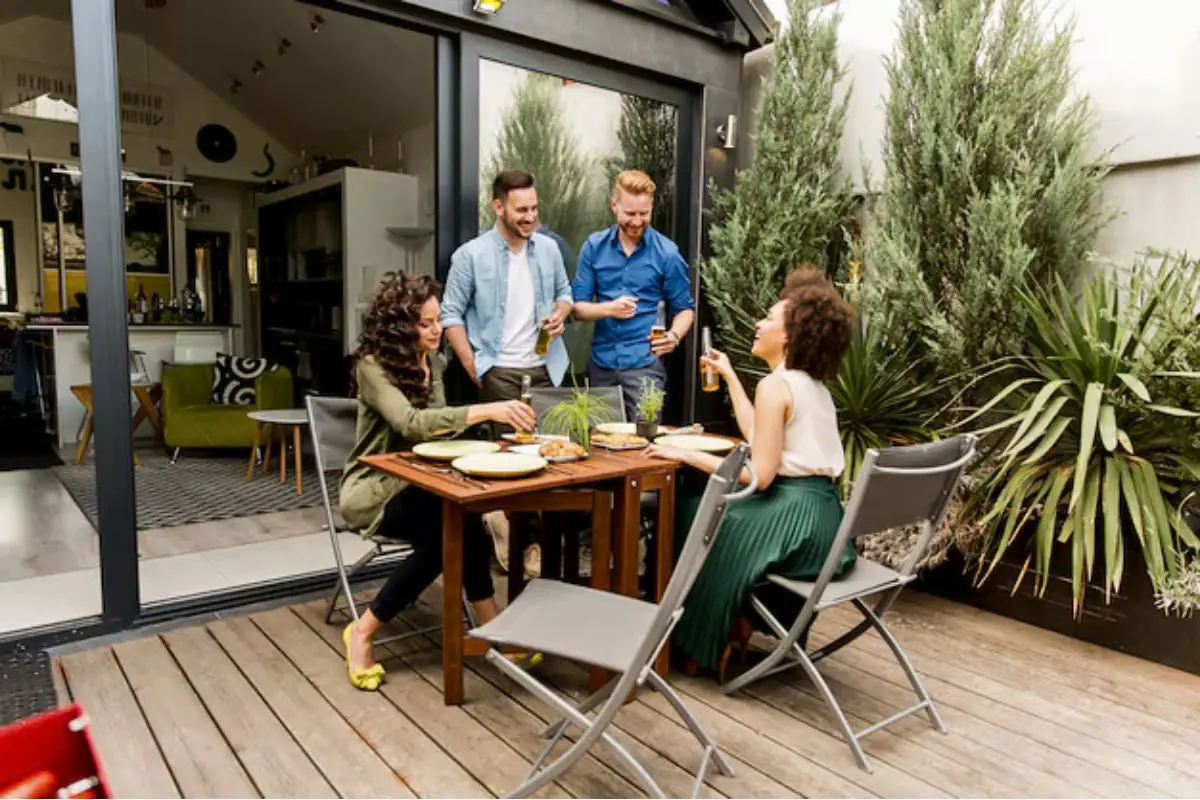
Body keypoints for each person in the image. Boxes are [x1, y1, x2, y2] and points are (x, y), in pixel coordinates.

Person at [644, 265, 856, 682]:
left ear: (791, 336)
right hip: (825, 522)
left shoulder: (778, 387)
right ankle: (730, 627)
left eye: (770, 319)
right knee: (701, 508)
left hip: (791, 521)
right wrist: (731, 378)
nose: (759, 323)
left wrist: (678, 454)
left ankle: (688, 640)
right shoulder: (808, 384)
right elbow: (761, 437)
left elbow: (758, 475)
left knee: (689, 510)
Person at [339, 273, 537, 691]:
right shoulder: (371, 368)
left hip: (423, 483)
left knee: (460, 515)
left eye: (438, 320)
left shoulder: (438, 364)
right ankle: (362, 631)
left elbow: (439, 435)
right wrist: (484, 412)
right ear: (400, 326)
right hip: (374, 488)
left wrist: (490, 444)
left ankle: (491, 629)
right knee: (447, 532)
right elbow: (411, 425)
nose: (437, 330)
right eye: (426, 323)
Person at [572, 170, 695, 422]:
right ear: (614, 205)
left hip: (645, 366)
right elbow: (578, 308)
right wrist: (609, 309)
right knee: (601, 444)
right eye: (630, 214)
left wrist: (673, 336)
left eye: (644, 214)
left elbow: (685, 309)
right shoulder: (594, 247)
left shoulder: (667, 254)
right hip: (601, 365)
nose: (637, 221)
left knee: (645, 444)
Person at [442, 169, 574, 403]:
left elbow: (564, 293)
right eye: (522, 210)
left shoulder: (549, 248)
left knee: (552, 440)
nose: (531, 217)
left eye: (534, 208)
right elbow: (451, 314)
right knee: (509, 441)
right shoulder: (470, 255)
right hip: (498, 373)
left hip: (548, 369)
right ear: (498, 207)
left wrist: (560, 315)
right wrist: (473, 367)